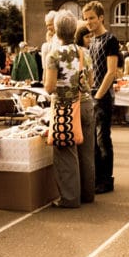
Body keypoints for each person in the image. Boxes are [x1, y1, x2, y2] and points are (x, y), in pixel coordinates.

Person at [44, 10, 96, 208]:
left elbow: (49, 87)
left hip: (65, 107)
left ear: (57, 33)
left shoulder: (54, 55)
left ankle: (70, 198)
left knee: (66, 152)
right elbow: (90, 82)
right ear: (75, 30)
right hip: (86, 104)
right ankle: (87, 194)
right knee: (87, 151)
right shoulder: (85, 53)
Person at [83, 0, 120, 194]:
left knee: (103, 138)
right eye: (86, 19)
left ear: (101, 18)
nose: (88, 22)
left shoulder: (110, 40)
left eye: (92, 18)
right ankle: (97, 177)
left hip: (103, 97)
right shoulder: (92, 41)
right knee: (94, 141)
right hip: (93, 95)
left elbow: (111, 72)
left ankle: (107, 180)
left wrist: (97, 95)